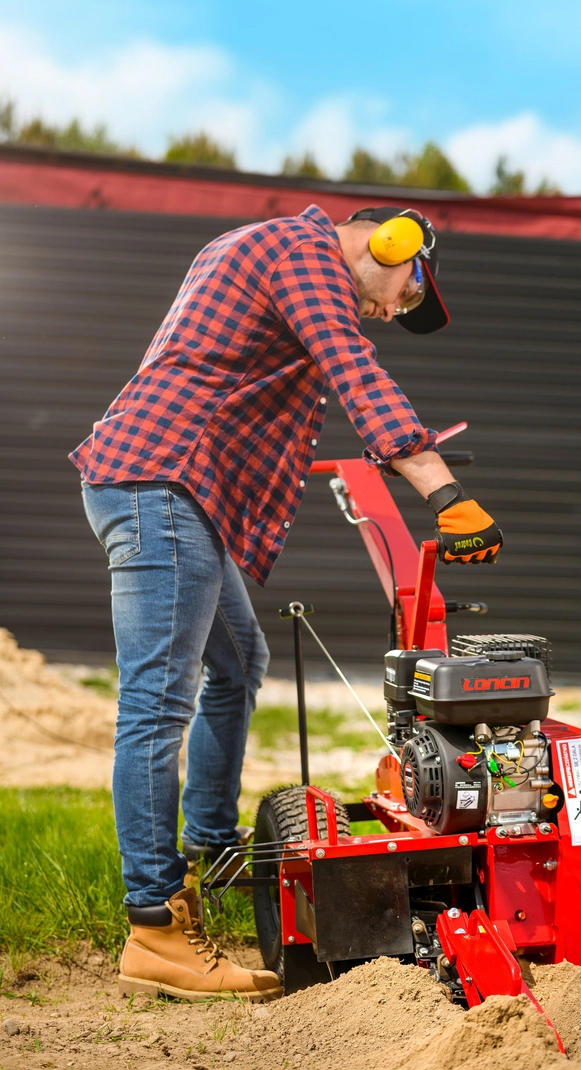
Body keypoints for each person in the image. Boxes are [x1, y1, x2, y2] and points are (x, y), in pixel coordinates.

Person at [70, 204, 501, 1002]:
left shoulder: (265, 249)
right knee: (158, 701)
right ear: (389, 240)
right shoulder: (299, 251)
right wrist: (445, 491)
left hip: (172, 489)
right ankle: (154, 926)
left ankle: (211, 847)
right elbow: (354, 371)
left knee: (238, 664)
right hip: (161, 485)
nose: (385, 313)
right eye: (402, 296)